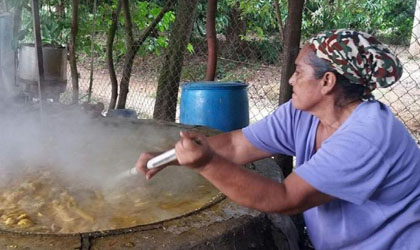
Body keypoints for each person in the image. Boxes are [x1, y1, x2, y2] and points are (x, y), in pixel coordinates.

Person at [136, 29, 420, 250]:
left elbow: (285, 199)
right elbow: (237, 146)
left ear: (327, 82)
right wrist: (167, 157)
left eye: (299, 72)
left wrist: (206, 164)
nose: (290, 80)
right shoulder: (303, 114)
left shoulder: (366, 137)